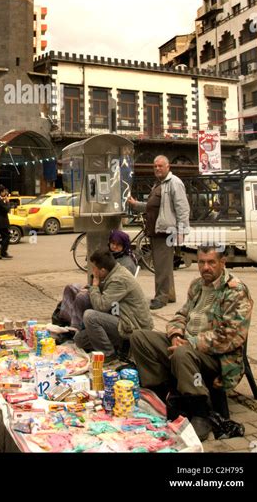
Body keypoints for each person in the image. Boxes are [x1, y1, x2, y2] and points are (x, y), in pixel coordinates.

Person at [129, 246, 253, 441]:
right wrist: (175, 336)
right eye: (202, 262)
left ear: (222, 263)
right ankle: (160, 395)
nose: (206, 267)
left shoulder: (235, 291)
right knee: (140, 337)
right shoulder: (197, 286)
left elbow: (230, 337)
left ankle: (200, 412)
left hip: (218, 358)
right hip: (186, 348)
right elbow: (181, 315)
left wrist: (190, 344)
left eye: (211, 262)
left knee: (182, 353)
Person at [127, 155, 190, 309]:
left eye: (160, 166)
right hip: (156, 231)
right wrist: (136, 204)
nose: (157, 169)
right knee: (164, 265)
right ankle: (169, 294)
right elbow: (151, 206)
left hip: (165, 232)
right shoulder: (159, 184)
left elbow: (183, 208)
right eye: (155, 166)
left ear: (168, 167)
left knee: (162, 267)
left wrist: (182, 231)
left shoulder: (174, 183)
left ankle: (161, 298)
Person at [72, 250, 153, 365]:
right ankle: (118, 343)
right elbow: (106, 292)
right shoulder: (113, 272)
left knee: (90, 316)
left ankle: (109, 354)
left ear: (103, 270)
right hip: (121, 318)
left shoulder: (119, 279)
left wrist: (94, 286)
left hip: (133, 325)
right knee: (79, 340)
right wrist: (91, 287)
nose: (93, 271)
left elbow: (101, 306)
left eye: (94, 268)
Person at [53, 230, 139, 334]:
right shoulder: (108, 255)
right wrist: (90, 285)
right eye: (113, 243)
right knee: (70, 288)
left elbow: (107, 295)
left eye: (118, 245)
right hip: (98, 289)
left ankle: (76, 328)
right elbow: (96, 276)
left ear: (124, 246)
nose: (114, 247)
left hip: (109, 298)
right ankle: (66, 323)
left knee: (81, 297)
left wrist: (93, 286)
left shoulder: (126, 265)